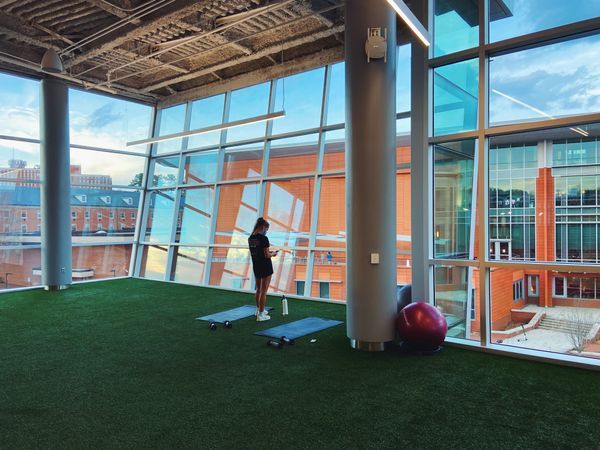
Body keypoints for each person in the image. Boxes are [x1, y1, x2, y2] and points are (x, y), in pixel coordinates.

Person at [248, 217, 278, 321]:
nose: (266, 231)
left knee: (258, 290)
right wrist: (273, 254)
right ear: (263, 227)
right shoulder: (264, 239)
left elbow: (258, 252)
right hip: (265, 266)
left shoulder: (251, 238)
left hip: (256, 266)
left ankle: (258, 310)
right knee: (264, 291)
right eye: (267, 229)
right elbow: (266, 254)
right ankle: (261, 315)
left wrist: (268, 253)